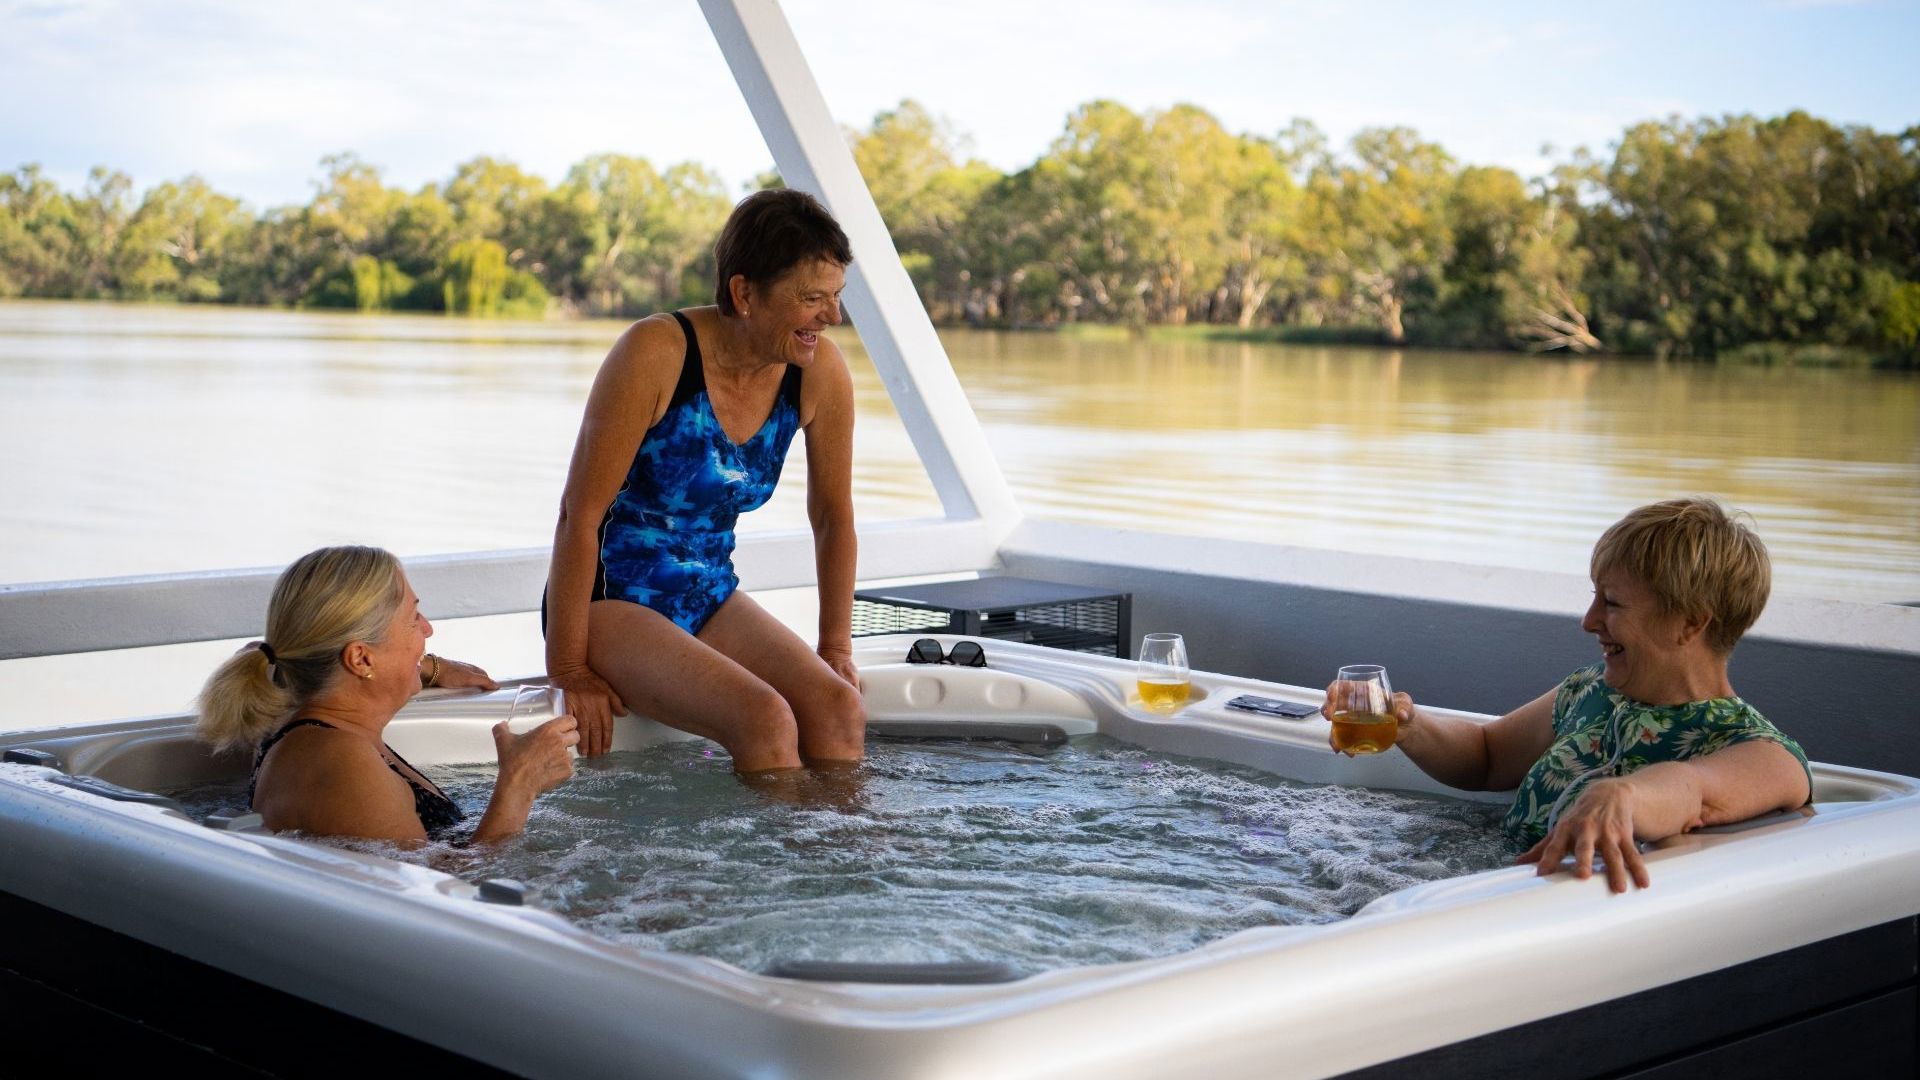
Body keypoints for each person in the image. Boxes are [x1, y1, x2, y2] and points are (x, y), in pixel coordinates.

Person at [1324, 497, 1812, 893]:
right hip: (1468, 886)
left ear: (1690, 622)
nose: (1589, 620)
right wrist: (1410, 726)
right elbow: (1488, 757)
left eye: (1612, 602)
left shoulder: (1760, 752)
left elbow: (1693, 790)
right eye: (1595, 596)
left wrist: (1621, 793)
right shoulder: (1589, 692)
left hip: (1539, 914)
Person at [543, 188, 865, 773]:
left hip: (707, 594)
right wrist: (568, 668)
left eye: (837, 296)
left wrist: (835, 648)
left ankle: (840, 861)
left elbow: (833, 519)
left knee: (838, 708)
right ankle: (786, 860)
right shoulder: (656, 353)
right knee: (766, 717)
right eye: (813, 298)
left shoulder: (819, 373)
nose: (833, 316)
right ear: (744, 293)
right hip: (610, 599)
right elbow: (579, 515)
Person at [196, 545, 578, 844]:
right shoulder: (341, 762)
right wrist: (518, 784)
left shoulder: (288, 695)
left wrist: (429, 667)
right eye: (413, 618)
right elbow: (439, 899)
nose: (428, 630)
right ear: (361, 658)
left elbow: (259, 650)